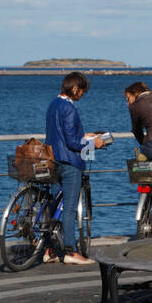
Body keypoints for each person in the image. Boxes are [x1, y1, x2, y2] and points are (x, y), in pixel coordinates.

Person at [44, 72, 106, 265]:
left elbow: (60, 133)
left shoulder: (53, 104)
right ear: (74, 89)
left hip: (53, 160)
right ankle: (70, 252)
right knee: (69, 208)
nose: (82, 95)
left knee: (54, 206)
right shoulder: (70, 109)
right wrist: (92, 145)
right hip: (70, 163)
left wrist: (83, 134)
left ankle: (49, 250)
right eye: (82, 91)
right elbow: (72, 143)